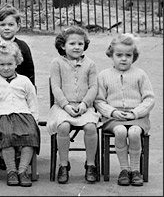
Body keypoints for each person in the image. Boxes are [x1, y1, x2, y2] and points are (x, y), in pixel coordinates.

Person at [95, 34, 155, 187]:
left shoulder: (140, 74)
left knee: (134, 132)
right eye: (119, 55)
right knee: (121, 131)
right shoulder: (104, 75)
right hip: (113, 118)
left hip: (137, 117)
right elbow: (99, 100)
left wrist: (136, 112)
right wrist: (112, 112)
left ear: (134, 56)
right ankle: (124, 170)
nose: (123, 59)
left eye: (128, 55)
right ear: (111, 55)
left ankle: (135, 170)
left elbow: (149, 99)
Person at [0, 42, 40, 188]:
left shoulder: (24, 81)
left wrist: (35, 120)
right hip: (1, 116)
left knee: (30, 136)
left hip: (23, 115)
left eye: (10, 64)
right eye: (2, 64)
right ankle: (11, 171)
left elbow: (33, 102)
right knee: (6, 136)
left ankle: (22, 171)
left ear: (17, 63)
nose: (6, 68)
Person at [47, 26, 100, 184]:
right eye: (72, 44)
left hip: (85, 106)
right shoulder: (57, 63)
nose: (77, 47)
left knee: (90, 127)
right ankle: (63, 164)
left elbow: (93, 87)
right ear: (63, 46)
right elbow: (55, 87)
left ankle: (90, 164)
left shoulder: (90, 64)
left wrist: (85, 103)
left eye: (80, 44)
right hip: (63, 106)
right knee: (62, 127)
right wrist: (65, 105)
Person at [0, 4, 35, 86]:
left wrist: (31, 88)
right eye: (3, 25)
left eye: (11, 25)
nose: (7, 28)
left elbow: (29, 70)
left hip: (19, 87)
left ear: (18, 26)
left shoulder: (23, 46)